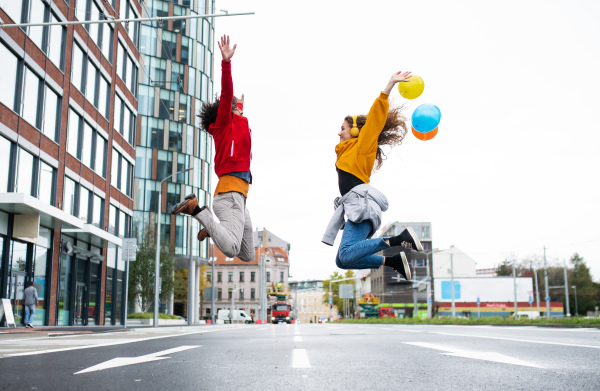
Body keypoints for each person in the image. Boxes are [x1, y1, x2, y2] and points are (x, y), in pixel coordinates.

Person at [322, 71, 424, 280]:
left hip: (362, 206)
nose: (339, 132)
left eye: (342, 128)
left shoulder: (362, 146)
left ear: (357, 131)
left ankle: (399, 239)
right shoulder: (346, 151)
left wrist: (388, 87)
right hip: (355, 206)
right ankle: (393, 260)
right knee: (342, 260)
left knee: (346, 254)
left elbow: (376, 119)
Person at [171, 35, 254, 263]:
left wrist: (241, 106)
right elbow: (227, 94)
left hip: (240, 198)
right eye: (234, 107)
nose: (237, 108)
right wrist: (226, 63)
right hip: (229, 197)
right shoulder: (224, 124)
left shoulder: (236, 124)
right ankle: (197, 210)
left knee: (247, 254)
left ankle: (213, 230)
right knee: (232, 249)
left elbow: (241, 126)